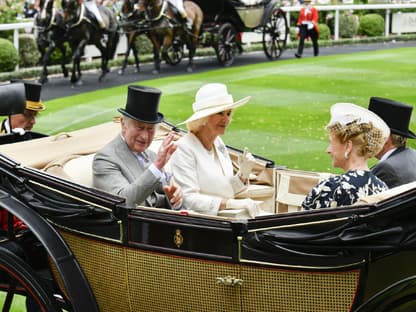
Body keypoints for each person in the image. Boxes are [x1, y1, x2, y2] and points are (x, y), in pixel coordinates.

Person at [170, 83, 259, 218]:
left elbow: (224, 189)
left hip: (228, 218)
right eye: (220, 113)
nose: (226, 119)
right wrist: (231, 204)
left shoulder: (218, 142)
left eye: (229, 113)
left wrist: (243, 174)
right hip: (202, 224)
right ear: (204, 117)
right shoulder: (183, 148)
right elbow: (188, 199)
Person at [92, 85, 183, 209]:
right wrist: (157, 166)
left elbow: (167, 193)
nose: (145, 136)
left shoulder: (151, 155)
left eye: (150, 129)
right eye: (140, 127)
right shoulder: (105, 159)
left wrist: (175, 197)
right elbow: (124, 202)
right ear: (123, 124)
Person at [302, 103, 390, 210]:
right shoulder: (382, 188)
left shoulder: (331, 188)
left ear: (348, 146)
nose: (328, 150)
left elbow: (299, 224)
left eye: (332, 143)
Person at [368, 97, 416, 188]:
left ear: (385, 138)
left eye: (370, 133)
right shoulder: (413, 154)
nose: (365, 137)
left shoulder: (386, 168)